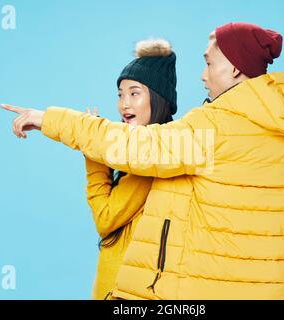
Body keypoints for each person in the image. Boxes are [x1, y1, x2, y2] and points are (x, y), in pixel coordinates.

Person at [1, 22, 284, 300]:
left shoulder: (213, 128)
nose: (202, 75)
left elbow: (137, 149)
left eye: (209, 63)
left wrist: (49, 120)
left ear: (234, 67)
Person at [82, 39, 176, 299]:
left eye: (134, 93)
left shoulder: (152, 159)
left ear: (158, 98)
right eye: (120, 94)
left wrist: (94, 155)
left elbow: (106, 218)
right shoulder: (143, 152)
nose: (124, 104)